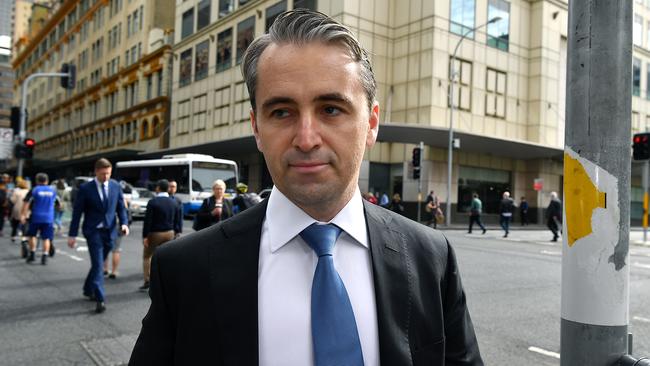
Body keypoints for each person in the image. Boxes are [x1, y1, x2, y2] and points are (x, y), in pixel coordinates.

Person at [130, 10, 482, 365]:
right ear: (256, 128)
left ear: (371, 123)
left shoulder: (431, 258)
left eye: (331, 109)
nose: (306, 139)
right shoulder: (184, 269)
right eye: (282, 112)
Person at [68, 158, 129, 314]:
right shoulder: (86, 188)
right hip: (93, 231)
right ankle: (100, 298)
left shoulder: (115, 186)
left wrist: (124, 223)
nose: (106, 177)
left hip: (110, 231)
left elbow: (121, 207)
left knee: (99, 261)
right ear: (96, 172)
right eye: (103, 174)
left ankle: (88, 288)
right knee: (98, 265)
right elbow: (77, 213)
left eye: (108, 173)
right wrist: (72, 235)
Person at [140, 179, 179, 291]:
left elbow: (148, 221)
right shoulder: (174, 202)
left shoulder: (153, 202)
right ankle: (165, 281)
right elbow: (177, 219)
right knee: (166, 257)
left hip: (155, 233)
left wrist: (145, 236)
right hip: (170, 232)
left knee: (147, 256)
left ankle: (147, 280)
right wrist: (176, 232)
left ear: (158, 188)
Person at [20, 173, 58, 265]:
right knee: (46, 238)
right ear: (47, 181)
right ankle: (44, 257)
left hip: (36, 217)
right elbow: (58, 204)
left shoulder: (34, 190)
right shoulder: (52, 191)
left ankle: (32, 254)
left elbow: (26, 202)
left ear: (37, 181)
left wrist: (23, 215)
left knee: (32, 235)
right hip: (48, 218)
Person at [103, 196, 129, 280]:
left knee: (105, 247)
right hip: (119, 225)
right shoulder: (122, 199)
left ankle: (105, 269)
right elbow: (125, 212)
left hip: (107, 224)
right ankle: (114, 271)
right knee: (116, 249)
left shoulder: (106, 196)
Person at [10, 178, 29, 243]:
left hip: (17, 209)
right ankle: (24, 237)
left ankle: (13, 236)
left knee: (15, 223)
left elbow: (12, 200)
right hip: (26, 210)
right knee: (25, 224)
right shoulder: (28, 191)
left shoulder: (16, 191)